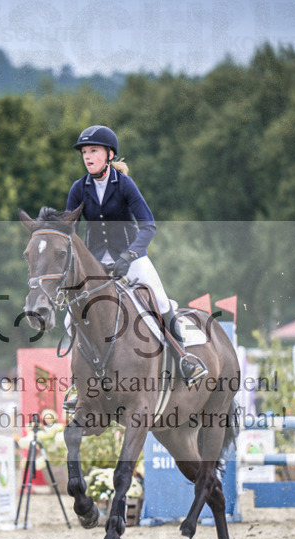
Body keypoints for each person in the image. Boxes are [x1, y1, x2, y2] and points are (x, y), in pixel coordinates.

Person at [65, 124, 207, 385]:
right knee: (69, 316)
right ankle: (78, 383)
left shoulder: (124, 185)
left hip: (131, 259)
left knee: (162, 303)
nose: (87, 156)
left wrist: (130, 255)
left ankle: (184, 359)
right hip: (95, 265)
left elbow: (148, 224)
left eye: (93, 150)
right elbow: (69, 232)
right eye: (84, 151)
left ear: (109, 155)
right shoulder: (78, 188)